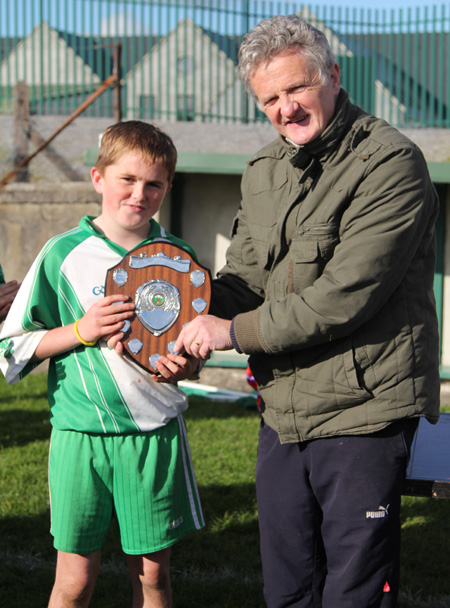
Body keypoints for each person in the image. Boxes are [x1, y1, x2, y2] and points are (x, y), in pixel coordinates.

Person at [174, 14, 440, 608]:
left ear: (333, 76)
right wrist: (173, 315)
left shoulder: (390, 163)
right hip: (284, 411)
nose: (285, 108)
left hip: (364, 413)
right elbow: (244, 279)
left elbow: (343, 296)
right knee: (288, 591)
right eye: (269, 98)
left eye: (297, 88)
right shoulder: (264, 170)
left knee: (355, 594)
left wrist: (230, 331)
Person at [0, 120, 204, 608]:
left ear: (167, 187)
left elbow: (195, 354)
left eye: (153, 183)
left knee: (153, 580)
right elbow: (11, 348)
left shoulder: (179, 258)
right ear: (98, 178)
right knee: (73, 583)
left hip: (153, 437)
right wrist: (79, 331)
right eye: (127, 180)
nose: (140, 194)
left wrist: (182, 368)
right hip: (79, 438)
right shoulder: (62, 256)